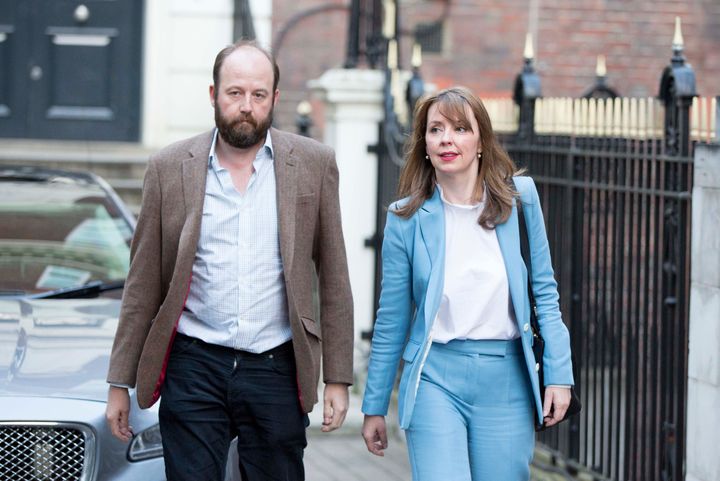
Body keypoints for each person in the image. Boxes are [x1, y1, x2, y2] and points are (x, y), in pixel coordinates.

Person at [105, 40, 354, 481]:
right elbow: (142, 284)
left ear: (275, 99)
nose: (246, 106)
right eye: (234, 93)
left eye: (259, 95)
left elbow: (333, 276)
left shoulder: (313, 164)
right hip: (194, 364)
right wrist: (118, 383)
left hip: (276, 365)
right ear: (213, 95)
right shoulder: (168, 168)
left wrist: (337, 377)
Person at [360, 86, 574, 480]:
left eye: (460, 128)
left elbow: (545, 292)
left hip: (507, 378)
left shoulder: (519, 199)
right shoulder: (405, 219)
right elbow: (391, 320)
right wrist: (374, 404)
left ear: (480, 140)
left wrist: (559, 374)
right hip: (434, 377)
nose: (447, 139)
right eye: (436, 129)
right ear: (424, 144)